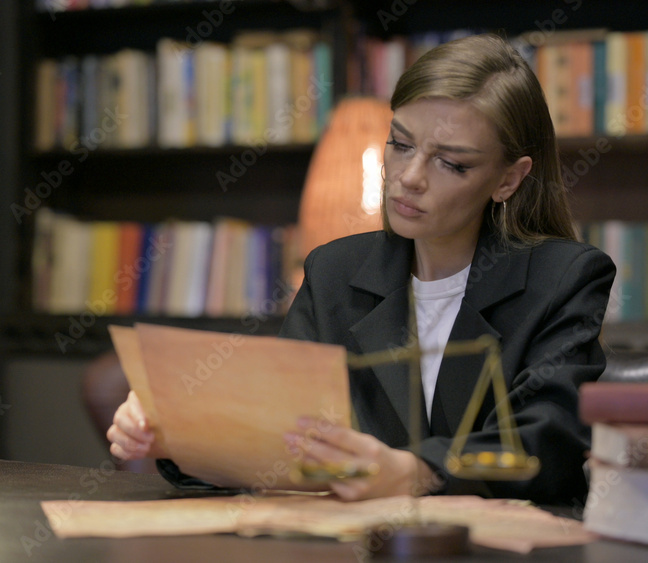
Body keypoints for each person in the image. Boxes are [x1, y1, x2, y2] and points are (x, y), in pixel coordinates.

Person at [107, 33, 615, 506]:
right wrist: (176, 431)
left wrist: (418, 472)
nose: (408, 178)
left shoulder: (564, 277)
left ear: (509, 179)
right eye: (400, 144)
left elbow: (548, 442)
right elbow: (279, 435)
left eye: (451, 164)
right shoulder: (335, 269)